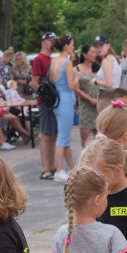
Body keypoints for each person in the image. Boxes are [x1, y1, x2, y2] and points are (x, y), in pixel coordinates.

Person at [48, 35, 77, 182]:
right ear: (66, 46)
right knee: (62, 137)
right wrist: (76, 77)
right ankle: (59, 170)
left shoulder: (54, 61)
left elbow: (52, 80)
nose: (73, 47)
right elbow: (72, 86)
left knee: (65, 136)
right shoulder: (67, 62)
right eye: (71, 44)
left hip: (58, 101)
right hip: (66, 100)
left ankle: (72, 167)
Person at [32, 32, 57, 177]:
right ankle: (44, 168)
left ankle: (52, 165)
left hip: (53, 101)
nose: (53, 43)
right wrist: (43, 96)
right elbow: (34, 82)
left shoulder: (52, 59)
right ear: (44, 42)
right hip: (45, 102)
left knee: (53, 133)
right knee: (46, 134)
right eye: (51, 41)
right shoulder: (38, 59)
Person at [74, 44, 102, 147]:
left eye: (95, 52)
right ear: (85, 54)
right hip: (86, 106)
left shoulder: (99, 68)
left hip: (99, 105)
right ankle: (86, 161)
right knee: (86, 139)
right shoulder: (77, 69)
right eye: (92, 52)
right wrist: (90, 100)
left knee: (100, 139)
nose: (95, 54)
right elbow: (76, 89)